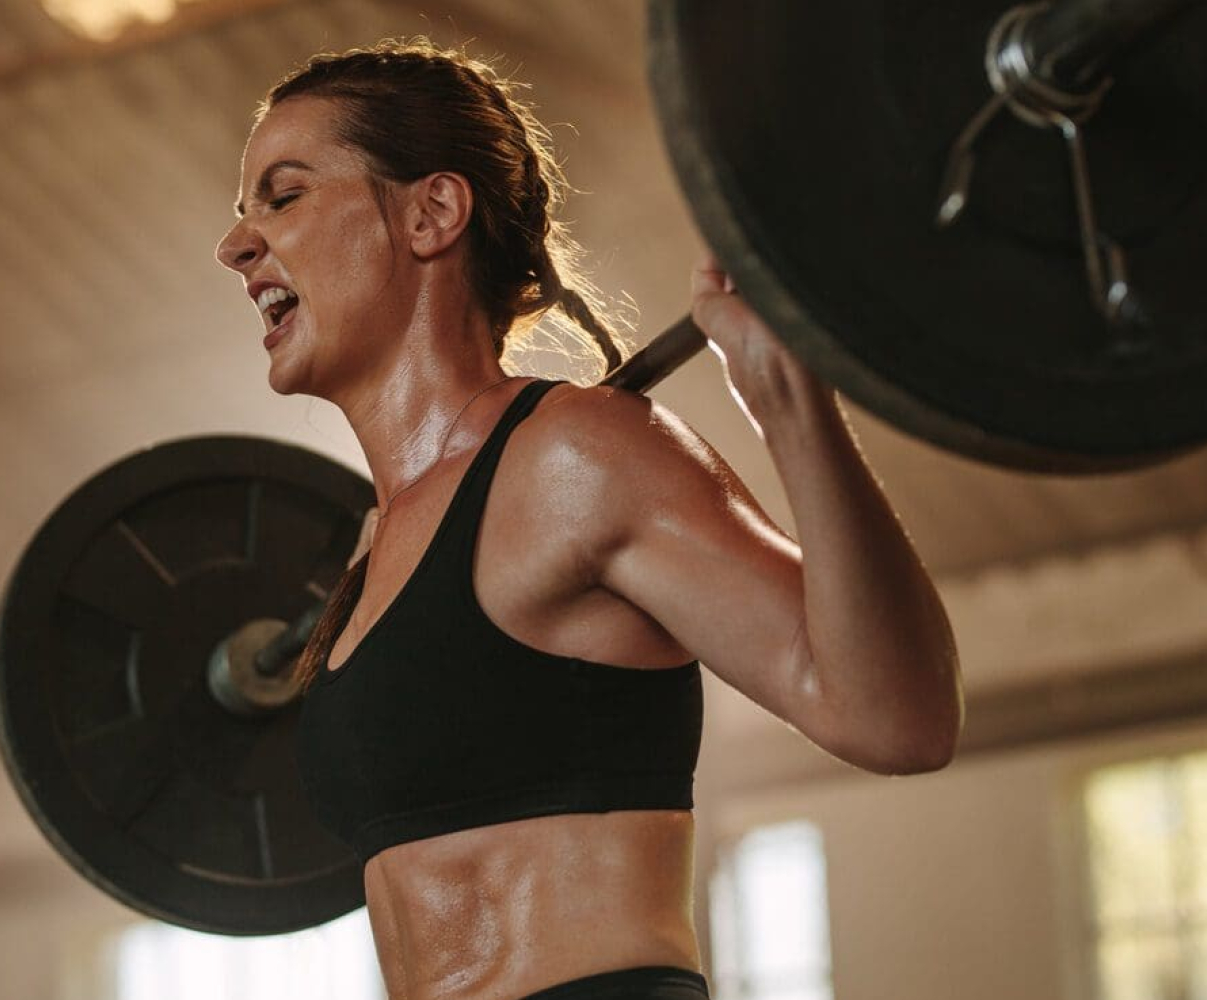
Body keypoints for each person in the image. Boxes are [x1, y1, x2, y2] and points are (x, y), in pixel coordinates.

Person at [213, 37, 962, 1000]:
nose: (236, 245)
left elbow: (899, 720)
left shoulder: (574, 458)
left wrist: (788, 397)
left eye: (283, 196)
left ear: (432, 213)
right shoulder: (373, 547)